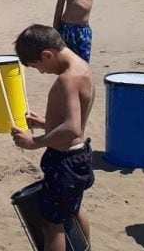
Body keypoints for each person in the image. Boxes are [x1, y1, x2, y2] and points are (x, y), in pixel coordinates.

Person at [11, 24, 95, 251]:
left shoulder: (66, 79)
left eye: (39, 67)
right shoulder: (82, 68)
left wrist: (34, 142)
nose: (42, 72)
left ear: (48, 55)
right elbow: (74, 119)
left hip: (64, 163)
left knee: (52, 224)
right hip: (79, 156)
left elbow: (72, 129)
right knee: (74, 209)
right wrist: (44, 123)